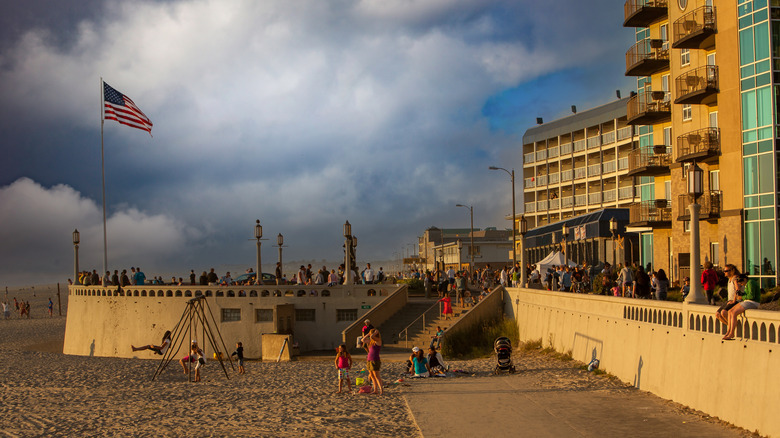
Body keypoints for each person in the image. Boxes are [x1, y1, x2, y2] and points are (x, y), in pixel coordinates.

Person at [723, 274, 761, 341]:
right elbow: (747, 295)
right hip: (747, 301)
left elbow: (751, 296)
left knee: (734, 313)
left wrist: (742, 297)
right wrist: (741, 294)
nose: (741, 284)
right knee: (730, 311)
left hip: (753, 302)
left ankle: (732, 333)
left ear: (745, 279)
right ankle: (728, 331)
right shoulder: (748, 283)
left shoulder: (751, 283)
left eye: (741, 283)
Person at [361, 329, 383, 394]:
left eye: (371, 333)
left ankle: (381, 390)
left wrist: (374, 333)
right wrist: (368, 334)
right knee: (372, 375)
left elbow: (372, 337)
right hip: (369, 359)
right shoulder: (371, 341)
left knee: (377, 376)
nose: (370, 335)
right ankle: (375, 390)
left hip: (375, 360)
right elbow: (363, 340)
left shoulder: (378, 340)